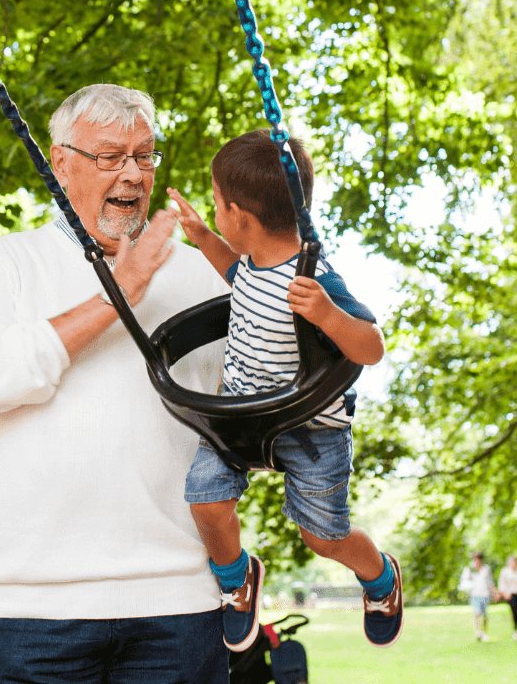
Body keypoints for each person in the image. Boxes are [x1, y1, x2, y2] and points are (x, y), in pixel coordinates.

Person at [0, 84, 232, 684]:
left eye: (144, 155)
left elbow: (246, 410)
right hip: (37, 612)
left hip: (178, 603)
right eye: (110, 157)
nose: (132, 174)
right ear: (61, 162)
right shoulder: (9, 261)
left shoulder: (201, 274)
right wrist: (117, 294)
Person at [170, 130, 403, 653]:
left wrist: (326, 312)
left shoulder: (314, 276)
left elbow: (371, 347)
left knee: (323, 538)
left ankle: (381, 578)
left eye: (215, 204)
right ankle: (237, 578)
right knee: (206, 502)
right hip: (241, 418)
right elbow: (235, 270)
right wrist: (203, 233)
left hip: (311, 428)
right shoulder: (252, 264)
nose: (214, 211)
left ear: (242, 217)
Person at [458, 551, 497, 641]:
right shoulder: (469, 569)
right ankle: (478, 632)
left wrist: (495, 593)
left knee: (484, 616)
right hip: (474, 595)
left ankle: (484, 633)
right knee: (476, 614)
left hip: (485, 595)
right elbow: (464, 580)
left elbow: (490, 582)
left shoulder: (486, 569)